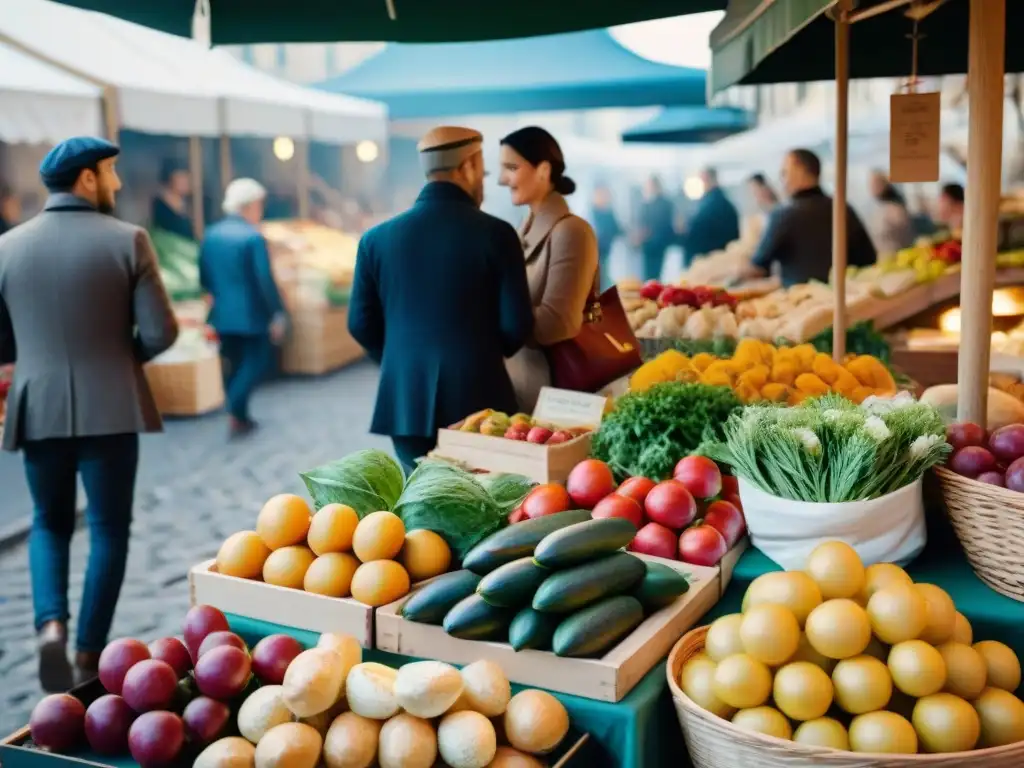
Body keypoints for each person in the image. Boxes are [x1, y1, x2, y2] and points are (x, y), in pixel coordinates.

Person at [0, 137, 178, 691]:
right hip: (112, 405)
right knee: (107, 528)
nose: (119, 184)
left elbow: (3, 345)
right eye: (112, 173)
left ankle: (50, 625)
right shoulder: (129, 239)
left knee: (48, 523)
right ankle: (87, 653)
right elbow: (161, 332)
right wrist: (121, 359)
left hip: (37, 404)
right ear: (86, 179)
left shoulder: (6, 247)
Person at [347, 126, 533, 473]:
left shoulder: (375, 240)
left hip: (405, 400)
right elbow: (517, 324)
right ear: (468, 167)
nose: (484, 183)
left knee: (421, 503)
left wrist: (399, 358)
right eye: (483, 171)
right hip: (482, 396)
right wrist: (484, 352)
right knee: (485, 505)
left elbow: (359, 324)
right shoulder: (497, 234)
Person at [499, 126, 600, 412]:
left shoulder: (571, 231)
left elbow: (559, 322)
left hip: (559, 398)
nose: (502, 179)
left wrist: (492, 319)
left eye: (511, 167)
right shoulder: (526, 226)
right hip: (529, 390)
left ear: (543, 170)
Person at [199, 179, 286, 439]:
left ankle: (240, 416)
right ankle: (235, 406)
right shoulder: (253, 237)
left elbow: (204, 276)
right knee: (256, 361)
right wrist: (277, 313)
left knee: (234, 363)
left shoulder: (211, 234)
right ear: (249, 205)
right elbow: (264, 280)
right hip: (251, 315)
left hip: (222, 314)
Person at [734, 148, 877, 287]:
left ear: (800, 170)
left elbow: (758, 265)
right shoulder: (842, 207)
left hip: (804, 302)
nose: (782, 179)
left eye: (785, 172)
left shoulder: (784, 215)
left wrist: (731, 277)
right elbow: (869, 258)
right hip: (847, 296)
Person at [678, 167, 740, 265]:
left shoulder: (715, 204)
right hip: (715, 258)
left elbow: (700, 229)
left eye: (702, 180)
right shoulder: (712, 202)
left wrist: (685, 228)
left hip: (710, 259)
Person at [637, 175, 675, 282]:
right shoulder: (647, 204)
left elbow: (666, 225)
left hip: (658, 245)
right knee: (648, 275)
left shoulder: (665, 204)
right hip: (648, 245)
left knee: (654, 276)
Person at [867, 170, 915, 255]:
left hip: (898, 258)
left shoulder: (896, 209)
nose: (871, 188)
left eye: (874, 184)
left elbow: (907, 239)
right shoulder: (879, 209)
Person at [151, 160, 195, 240]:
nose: (186, 182)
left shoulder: (187, 204)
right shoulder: (161, 205)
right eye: (181, 177)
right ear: (170, 179)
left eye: (187, 177)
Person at [589, 184, 621, 291]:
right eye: (601, 195)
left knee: (604, 279)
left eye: (605, 195)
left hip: (605, 252)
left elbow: (617, 229)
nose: (604, 197)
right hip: (592, 252)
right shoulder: (590, 213)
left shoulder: (608, 213)